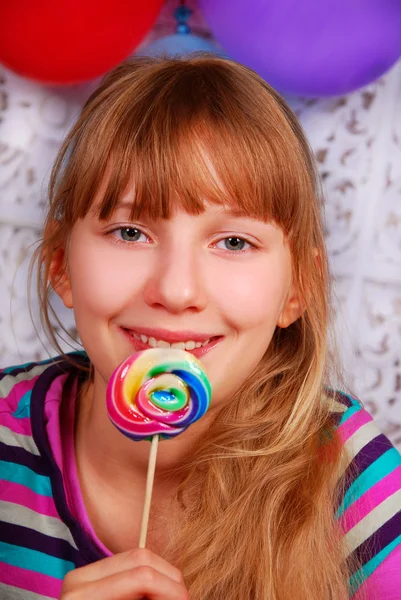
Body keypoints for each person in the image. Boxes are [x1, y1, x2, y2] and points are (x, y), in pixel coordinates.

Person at [0, 55, 400, 600]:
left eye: (234, 242)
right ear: (60, 264)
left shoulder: (347, 476)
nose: (177, 290)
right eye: (129, 232)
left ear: (296, 289)